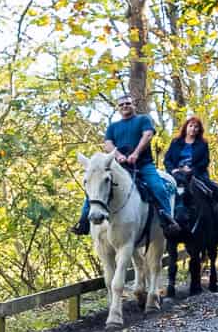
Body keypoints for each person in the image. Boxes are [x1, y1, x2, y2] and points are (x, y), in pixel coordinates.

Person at [73, 93, 178, 238]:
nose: (125, 107)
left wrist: (135, 154)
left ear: (133, 105)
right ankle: (84, 221)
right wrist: (119, 156)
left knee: (157, 187)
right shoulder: (113, 127)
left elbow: (147, 135)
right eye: (121, 105)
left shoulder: (143, 120)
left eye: (127, 103)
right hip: (121, 166)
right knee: (95, 186)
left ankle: (168, 220)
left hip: (143, 165)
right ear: (118, 108)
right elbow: (108, 144)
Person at [162, 116, 218, 224]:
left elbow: (205, 162)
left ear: (199, 130)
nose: (193, 129)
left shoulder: (202, 144)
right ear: (186, 127)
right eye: (191, 126)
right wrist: (173, 170)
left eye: (196, 127)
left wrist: (191, 170)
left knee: (216, 188)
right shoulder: (176, 142)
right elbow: (167, 159)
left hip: (196, 173)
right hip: (176, 173)